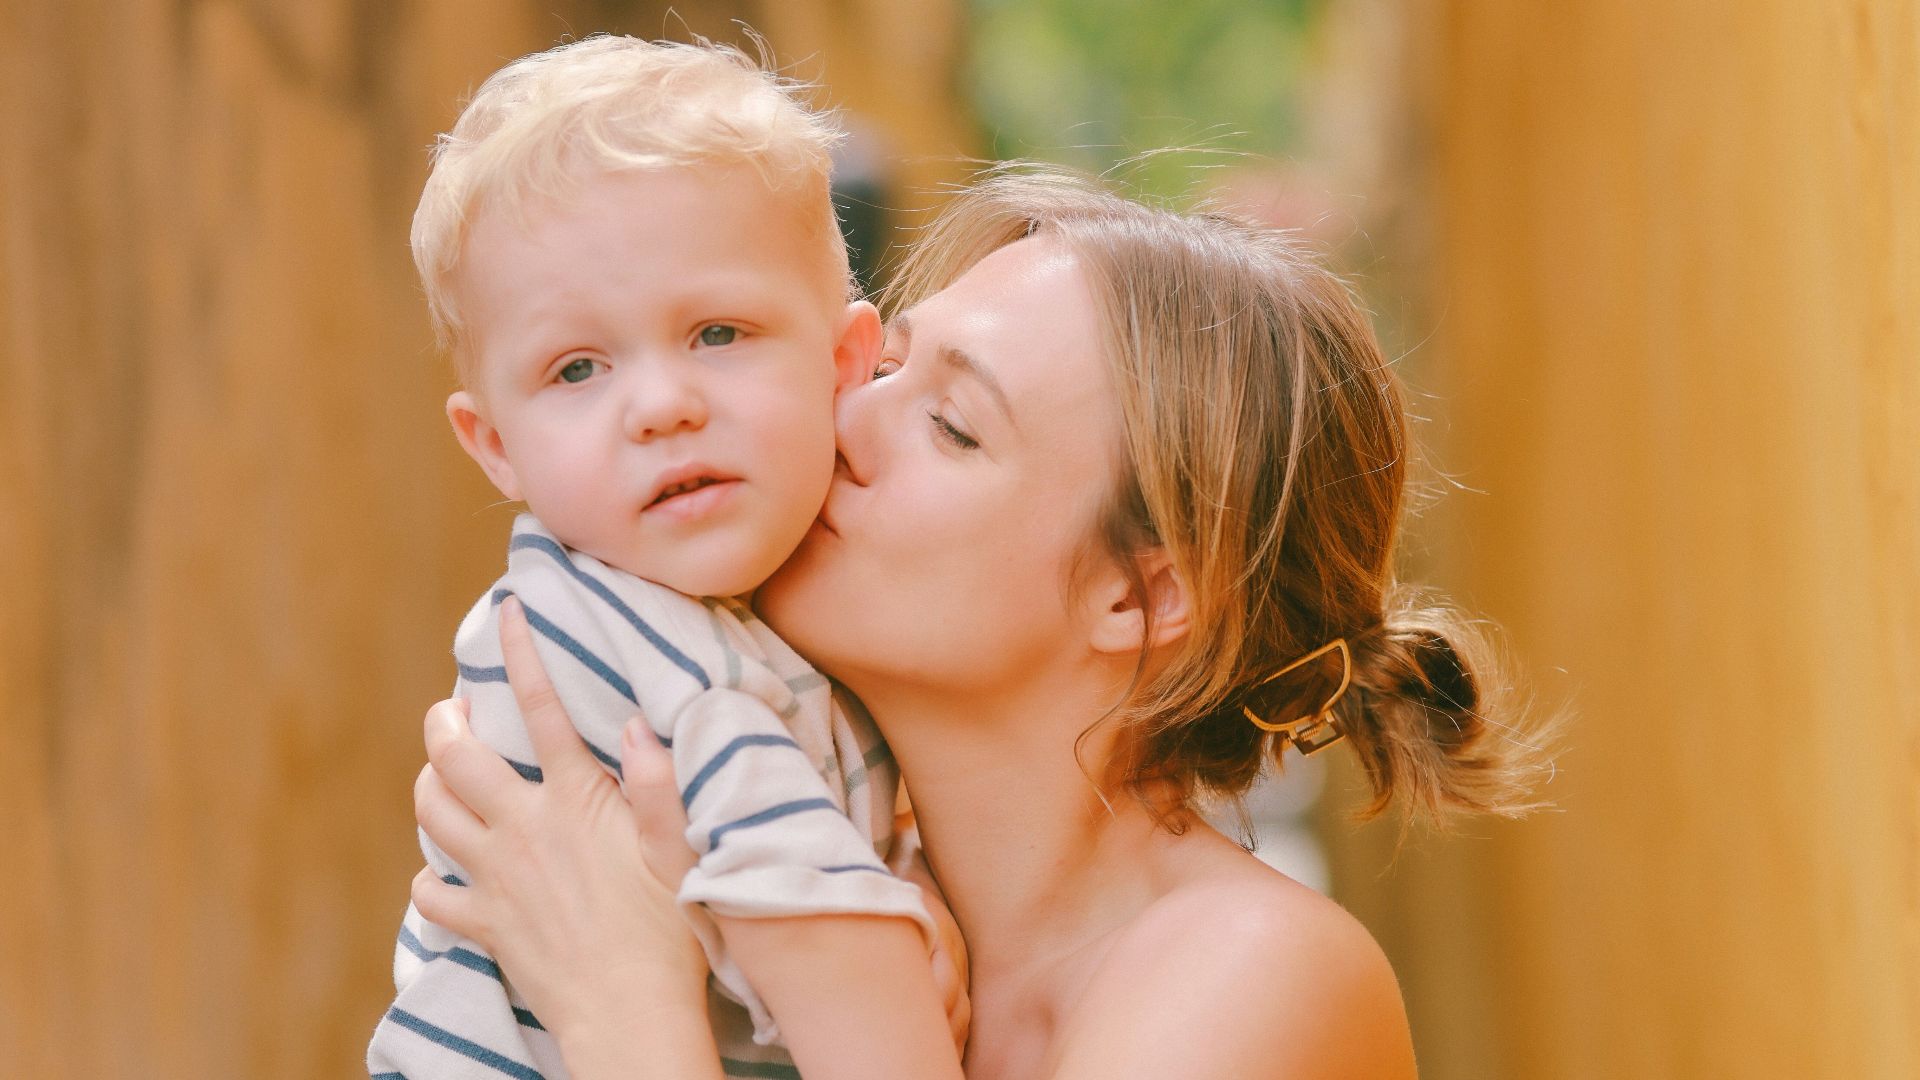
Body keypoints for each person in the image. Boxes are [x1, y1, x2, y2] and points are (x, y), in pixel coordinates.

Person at [411, 166, 1549, 1079]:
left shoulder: (1254, 976)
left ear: (1142, 594)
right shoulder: (806, 899)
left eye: (951, 425)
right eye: (885, 364)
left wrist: (619, 1001)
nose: (846, 419)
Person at [368, 35, 966, 1080]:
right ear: (496, 445)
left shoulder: (765, 621)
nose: (661, 406)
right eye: (578, 368)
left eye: (718, 334)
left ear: (845, 363)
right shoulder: (639, 646)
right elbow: (828, 950)